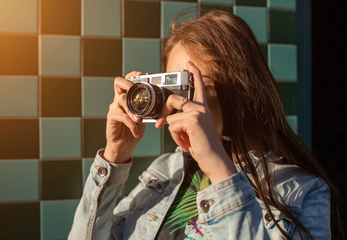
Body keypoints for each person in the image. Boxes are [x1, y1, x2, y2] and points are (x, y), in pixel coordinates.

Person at [69, 10, 344, 240]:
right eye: (171, 88)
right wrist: (115, 157)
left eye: (191, 87)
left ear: (244, 92)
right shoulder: (164, 171)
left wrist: (218, 168)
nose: (177, 103)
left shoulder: (301, 191)